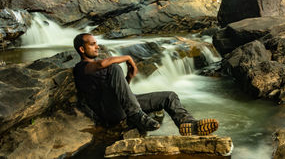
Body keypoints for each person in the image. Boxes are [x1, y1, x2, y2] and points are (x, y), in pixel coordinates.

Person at [72, 33, 218, 136]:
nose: (97, 47)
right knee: (115, 66)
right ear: (82, 49)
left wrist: (128, 77)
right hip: (109, 112)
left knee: (169, 96)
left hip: (124, 106)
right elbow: (103, 63)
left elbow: (122, 91)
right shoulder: (82, 67)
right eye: (92, 44)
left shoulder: (101, 67)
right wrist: (128, 58)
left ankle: (188, 124)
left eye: (97, 43)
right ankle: (137, 116)